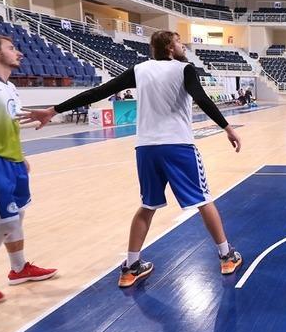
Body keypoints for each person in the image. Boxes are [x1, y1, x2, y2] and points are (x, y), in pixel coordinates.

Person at [21, 31, 243, 288]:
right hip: (178, 145)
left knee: (147, 205)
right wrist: (227, 127)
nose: (184, 46)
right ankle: (227, 255)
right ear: (171, 47)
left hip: (146, 148)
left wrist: (54, 110)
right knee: (204, 200)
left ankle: (131, 266)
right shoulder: (185, 69)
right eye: (180, 42)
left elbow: (99, 92)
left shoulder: (139, 70)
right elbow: (202, 99)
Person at [0, 35, 57, 305]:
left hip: (12, 161)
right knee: (5, 223)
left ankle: (19, 269)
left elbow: (9, 125)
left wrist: (21, 155)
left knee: (18, 216)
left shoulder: (10, 87)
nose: (19, 53)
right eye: (11, 48)